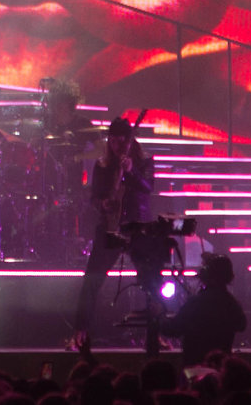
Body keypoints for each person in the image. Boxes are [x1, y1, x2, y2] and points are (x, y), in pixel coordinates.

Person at [70, 114, 157, 347]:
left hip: (137, 228)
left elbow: (148, 187)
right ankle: (80, 332)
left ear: (130, 141)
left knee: (151, 282)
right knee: (91, 281)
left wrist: (131, 171)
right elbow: (95, 196)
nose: (118, 144)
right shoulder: (103, 165)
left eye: (122, 140)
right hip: (110, 229)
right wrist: (103, 204)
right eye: (114, 140)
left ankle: (157, 334)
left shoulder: (145, 162)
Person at [170, 254, 247, 364]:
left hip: (196, 365)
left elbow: (173, 329)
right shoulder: (231, 303)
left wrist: (159, 316)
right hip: (221, 365)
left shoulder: (197, 302)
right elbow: (241, 325)